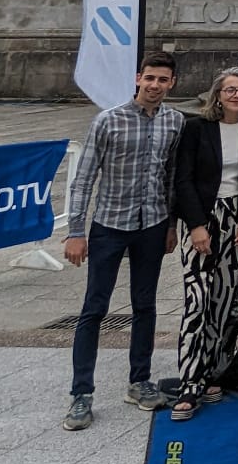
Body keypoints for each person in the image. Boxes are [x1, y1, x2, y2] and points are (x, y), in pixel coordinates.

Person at [61, 53, 185, 431]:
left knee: (145, 305)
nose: (155, 85)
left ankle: (139, 381)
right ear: (137, 78)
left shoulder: (175, 121)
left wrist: (171, 225)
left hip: (152, 224)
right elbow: (84, 178)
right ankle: (81, 393)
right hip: (110, 225)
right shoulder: (108, 120)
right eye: (150, 78)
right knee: (94, 308)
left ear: (172, 83)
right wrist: (76, 231)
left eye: (162, 80)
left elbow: (172, 177)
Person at [169, 67, 238, 419]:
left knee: (222, 301)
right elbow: (183, 178)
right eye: (230, 89)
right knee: (197, 300)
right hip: (204, 218)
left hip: (236, 221)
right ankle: (189, 381)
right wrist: (196, 225)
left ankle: (211, 371)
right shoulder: (197, 128)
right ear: (218, 95)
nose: (236, 95)